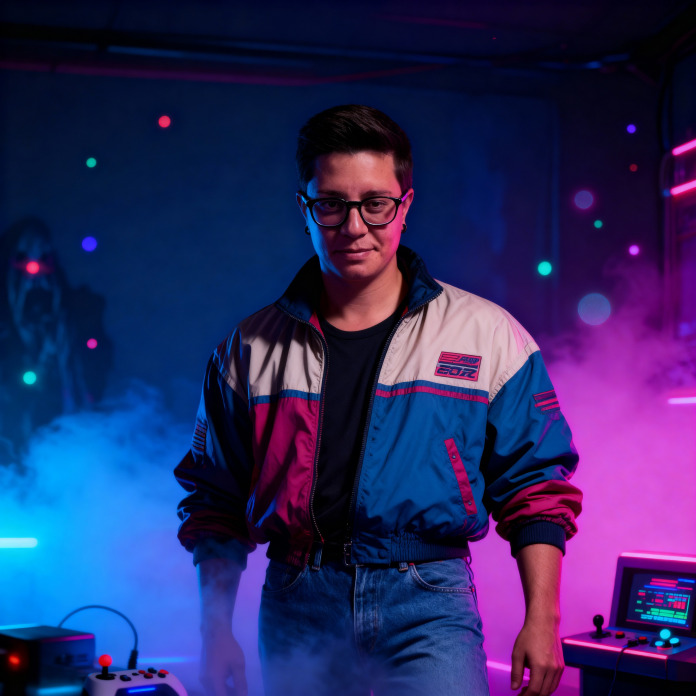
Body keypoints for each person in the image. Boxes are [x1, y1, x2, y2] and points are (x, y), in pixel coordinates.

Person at [174, 104, 582, 696]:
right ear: (304, 209)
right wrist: (214, 632)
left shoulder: (488, 336)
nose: (354, 226)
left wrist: (543, 620)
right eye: (331, 204)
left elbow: (536, 487)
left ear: (405, 206)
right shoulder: (248, 348)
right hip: (297, 600)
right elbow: (215, 501)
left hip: (428, 603)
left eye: (376, 203)